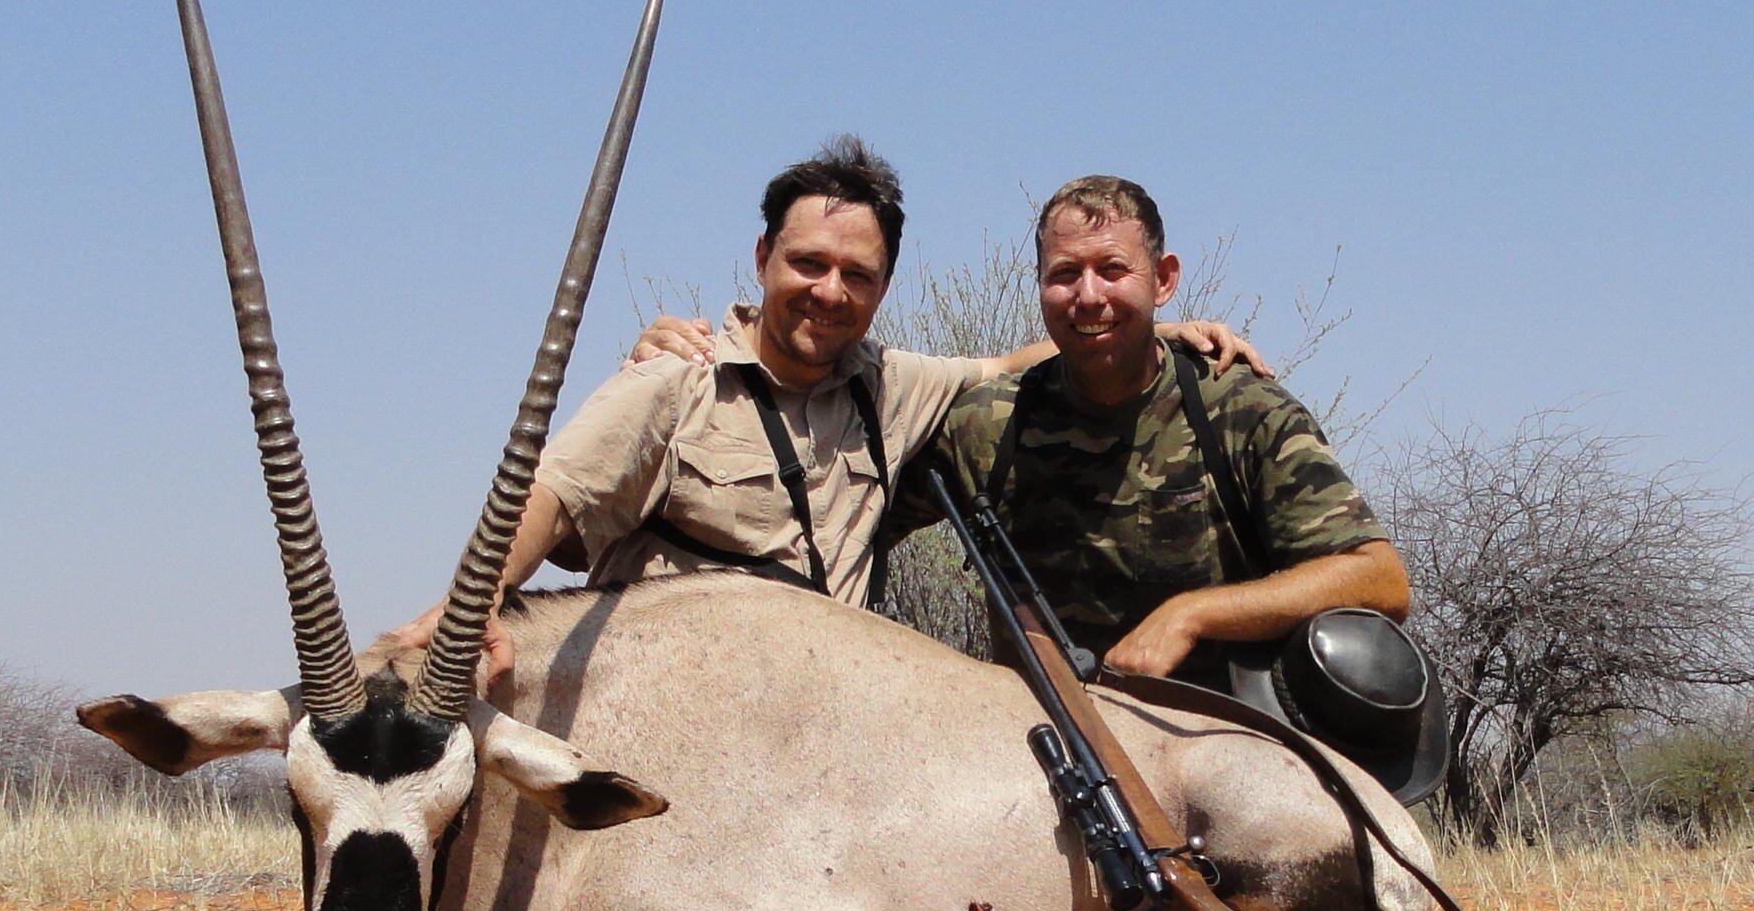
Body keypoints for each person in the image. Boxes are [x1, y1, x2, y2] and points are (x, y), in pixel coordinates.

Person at [391, 141, 1262, 676]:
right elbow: (554, 494)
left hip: (824, 735)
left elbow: (1008, 362)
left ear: (884, 286)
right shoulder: (675, 376)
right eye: (808, 263)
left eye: (858, 276)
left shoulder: (894, 385)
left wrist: (1150, 330)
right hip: (666, 715)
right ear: (765, 255)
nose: (829, 292)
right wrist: (464, 610)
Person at [888, 173, 1408, 691]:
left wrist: (1191, 615)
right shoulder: (984, 425)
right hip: (1043, 742)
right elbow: (856, 532)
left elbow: (1377, 577)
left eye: (1113, 269)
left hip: (1223, 742)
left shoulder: (1243, 412)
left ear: (1163, 279)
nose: (1088, 296)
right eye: (1065, 273)